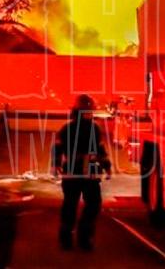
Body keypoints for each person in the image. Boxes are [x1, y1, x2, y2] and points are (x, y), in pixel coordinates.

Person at [52, 94, 112, 251]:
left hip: (82, 173)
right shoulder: (80, 129)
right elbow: (58, 147)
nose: (89, 114)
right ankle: (76, 237)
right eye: (87, 111)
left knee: (83, 205)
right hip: (80, 173)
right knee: (79, 205)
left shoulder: (84, 129)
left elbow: (100, 150)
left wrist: (107, 165)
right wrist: (106, 166)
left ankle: (74, 237)